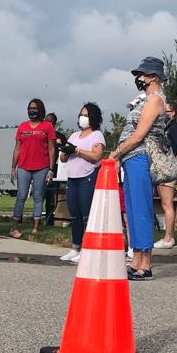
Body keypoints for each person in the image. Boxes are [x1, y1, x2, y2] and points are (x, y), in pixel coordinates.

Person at [110, 57, 168, 281]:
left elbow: (139, 135)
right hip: (131, 159)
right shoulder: (144, 100)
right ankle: (136, 259)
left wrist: (117, 152)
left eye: (142, 75)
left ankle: (146, 263)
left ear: (153, 76)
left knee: (141, 209)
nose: (138, 79)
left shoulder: (155, 100)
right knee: (132, 211)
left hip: (141, 156)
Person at [58, 103, 105, 263]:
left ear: (93, 117)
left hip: (88, 177)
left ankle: (87, 248)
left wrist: (77, 150)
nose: (82, 118)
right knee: (75, 214)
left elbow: (96, 156)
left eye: (85, 115)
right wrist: (65, 150)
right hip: (73, 177)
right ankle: (75, 247)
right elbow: (63, 158)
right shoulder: (74, 136)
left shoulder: (97, 135)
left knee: (87, 214)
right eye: (81, 114)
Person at [9, 99, 57, 238]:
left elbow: (52, 148)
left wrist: (51, 169)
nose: (32, 110)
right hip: (23, 166)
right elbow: (17, 148)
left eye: (35, 108)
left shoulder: (47, 126)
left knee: (38, 197)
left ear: (41, 110)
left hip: (41, 167)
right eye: (30, 108)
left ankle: (35, 227)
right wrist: (13, 168)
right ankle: (14, 227)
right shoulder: (22, 127)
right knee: (21, 196)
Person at [153, 101, 177, 249]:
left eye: (166, 111)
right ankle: (168, 236)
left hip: (167, 169)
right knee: (165, 203)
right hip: (163, 168)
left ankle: (168, 238)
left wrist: (174, 160)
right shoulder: (166, 128)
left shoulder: (174, 128)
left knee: (167, 204)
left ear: (173, 112)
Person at [43, 112, 69, 225]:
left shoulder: (61, 136)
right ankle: (36, 218)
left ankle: (49, 219)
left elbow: (65, 151)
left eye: (51, 123)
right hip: (42, 167)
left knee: (51, 196)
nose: (48, 124)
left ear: (54, 124)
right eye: (46, 121)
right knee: (40, 194)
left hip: (56, 170)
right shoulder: (42, 134)